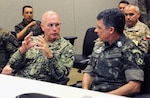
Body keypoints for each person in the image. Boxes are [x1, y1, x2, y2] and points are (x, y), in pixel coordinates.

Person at [82, 8, 145, 96]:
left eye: (99, 28)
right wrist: (85, 91)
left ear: (111, 30)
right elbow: (89, 71)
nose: (95, 30)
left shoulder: (129, 50)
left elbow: (134, 86)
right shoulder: (100, 45)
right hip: (94, 93)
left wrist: (104, 96)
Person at [2, 11, 74, 85]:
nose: (54, 29)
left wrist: (50, 56)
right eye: (50, 25)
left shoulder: (66, 47)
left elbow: (61, 75)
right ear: (42, 27)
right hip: (21, 81)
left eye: (57, 25)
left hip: (42, 86)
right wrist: (22, 50)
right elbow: (13, 64)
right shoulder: (32, 40)